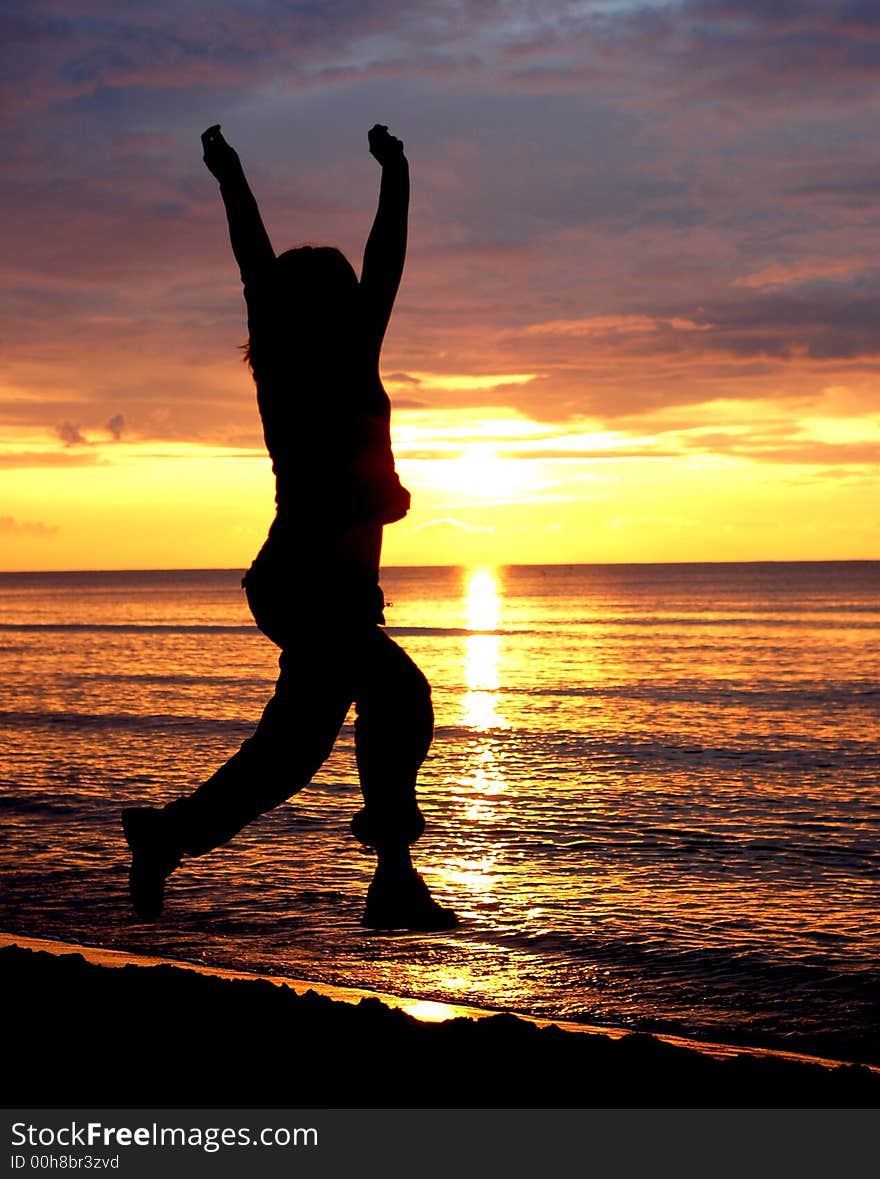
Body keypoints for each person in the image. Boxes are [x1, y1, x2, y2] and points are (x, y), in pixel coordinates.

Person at [122, 122, 457, 931]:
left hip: (336, 590)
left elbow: (387, 259)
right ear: (316, 307)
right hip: (302, 580)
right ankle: (394, 879)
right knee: (402, 694)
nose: (359, 298)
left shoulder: (354, 355)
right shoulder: (288, 367)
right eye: (342, 292)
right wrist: (230, 173)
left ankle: (164, 836)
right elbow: (256, 259)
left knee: (289, 757)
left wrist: (398, 173)